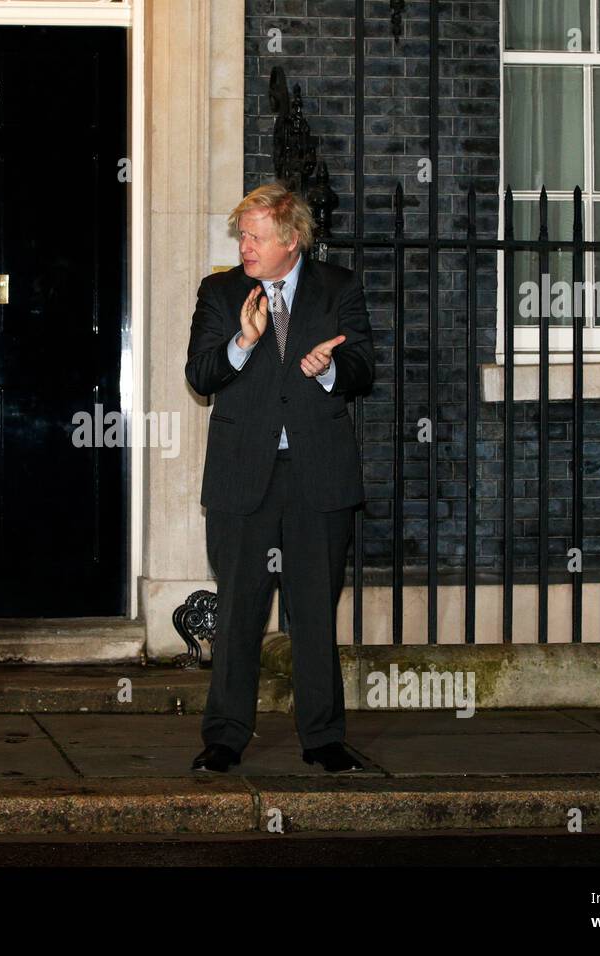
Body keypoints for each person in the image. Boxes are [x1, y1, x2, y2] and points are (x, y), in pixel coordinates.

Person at [185, 182, 373, 773]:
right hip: (245, 478)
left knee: (314, 613)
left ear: (292, 240)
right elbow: (200, 373)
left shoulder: (337, 288)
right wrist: (243, 341)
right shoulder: (219, 292)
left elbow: (364, 369)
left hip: (317, 476)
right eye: (242, 234)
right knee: (238, 611)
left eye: (256, 236)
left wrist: (328, 369)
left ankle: (322, 738)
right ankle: (224, 736)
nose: (245, 246)